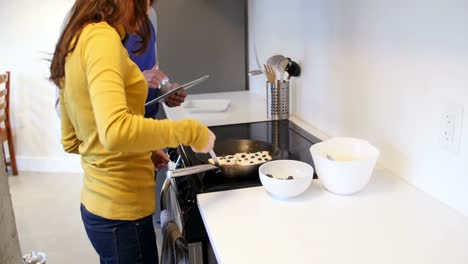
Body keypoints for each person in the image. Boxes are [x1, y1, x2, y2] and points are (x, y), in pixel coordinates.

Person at [49, 0, 215, 263]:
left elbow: (71, 139)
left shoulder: (77, 38)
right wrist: (191, 131)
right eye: (145, 2)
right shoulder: (103, 40)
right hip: (123, 213)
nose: (147, 12)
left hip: (97, 208)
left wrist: (143, 150)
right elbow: (114, 131)